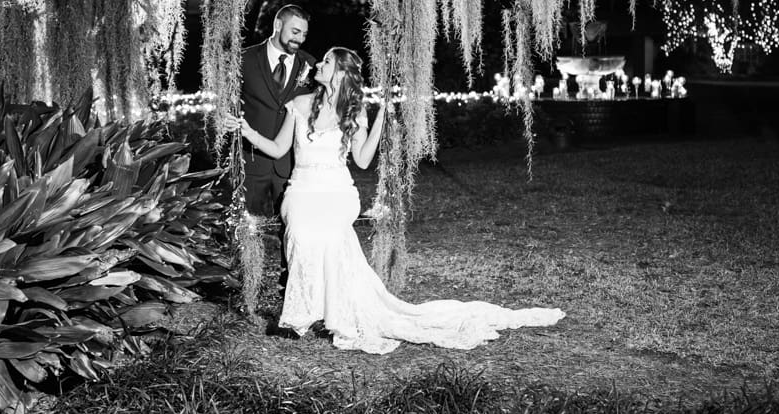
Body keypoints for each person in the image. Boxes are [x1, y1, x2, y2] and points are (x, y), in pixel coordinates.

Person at [227, 46, 565, 354]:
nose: (318, 63)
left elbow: (360, 160)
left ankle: (321, 316)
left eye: (326, 61)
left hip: (337, 192)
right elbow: (277, 148)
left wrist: (380, 121)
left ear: (341, 73)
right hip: (301, 189)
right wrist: (246, 130)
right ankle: (301, 314)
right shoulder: (299, 104)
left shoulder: (354, 112)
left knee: (330, 236)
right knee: (301, 233)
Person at [238, 5, 316, 222]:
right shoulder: (245, 59)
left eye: (304, 34)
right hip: (251, 163)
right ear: (278, 25)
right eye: (295, 32)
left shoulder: (309, 64)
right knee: (249, 230)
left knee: (291, 228)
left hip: (289, 165)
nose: (299, 39)